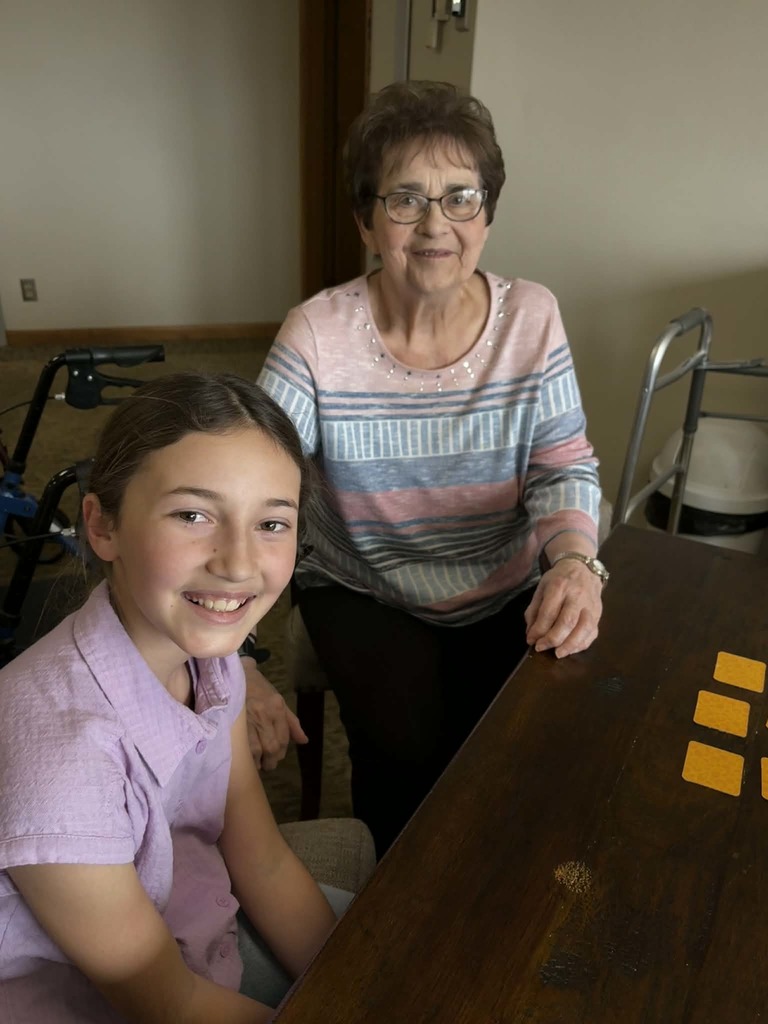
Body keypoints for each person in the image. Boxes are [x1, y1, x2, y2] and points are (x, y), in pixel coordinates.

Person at [254, 80, 606, 855]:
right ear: (367, 220)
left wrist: (575, 562)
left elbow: (561, 459)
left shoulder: (533, 316)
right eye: (406, 199)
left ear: (487, 213)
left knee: (526, 754)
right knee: (408, 767)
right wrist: (232, 655)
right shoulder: (317, 334)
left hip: (507, 578)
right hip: (363, 584)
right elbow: (249, 484)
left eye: (459, 198)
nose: (435, 224)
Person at [0, 374, 351, 1022]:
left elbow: (263, 861)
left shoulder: (216, 665)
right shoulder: (62, 760)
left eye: (272, 522)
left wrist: (360, 993)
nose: (239, 563)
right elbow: (168, 1004)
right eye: (193, 515)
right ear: (102, 526)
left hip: (202, 943)